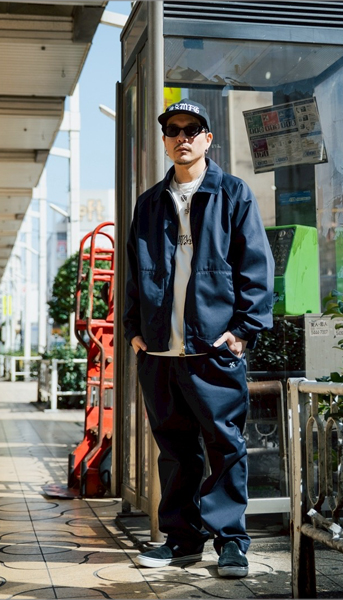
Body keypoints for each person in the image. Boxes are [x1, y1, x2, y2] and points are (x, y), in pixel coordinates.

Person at [123, 98, 274, 578]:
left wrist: (242, 332)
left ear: (208, 139)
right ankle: (182, 540)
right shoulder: (149, 202)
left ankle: (231, 542)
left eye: (192, 130)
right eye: (174, 130)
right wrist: (133, 331)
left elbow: (256, 266)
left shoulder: (233, 193)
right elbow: (133, 275)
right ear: (165, 140)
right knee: (175, 450)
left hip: (213, 348)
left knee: (224, 444)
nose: (182, 137)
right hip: (160, 350)